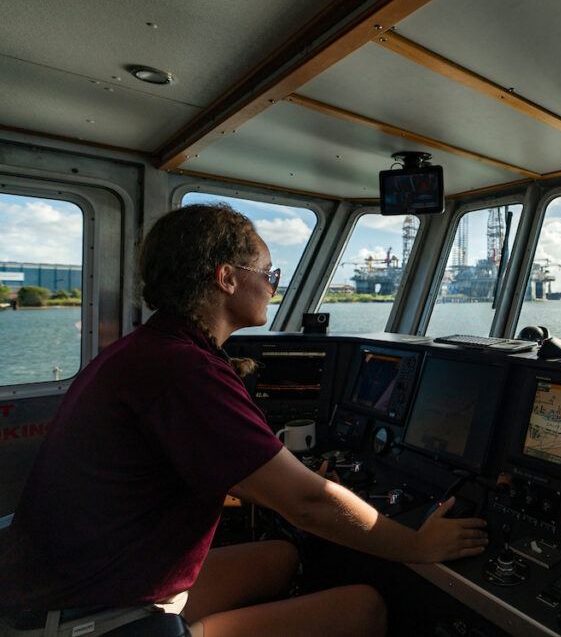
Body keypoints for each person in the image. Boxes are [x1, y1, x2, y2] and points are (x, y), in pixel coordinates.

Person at [0, 204, 488, 637]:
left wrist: (278, 483)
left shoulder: (151, 349)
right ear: (227, 278)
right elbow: (307, 502)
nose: (273, 288)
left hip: (75, 578)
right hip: (91, 614)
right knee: (361, 609)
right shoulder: (183, 369)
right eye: (269, 274)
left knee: (281, 557)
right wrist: (416, 545)